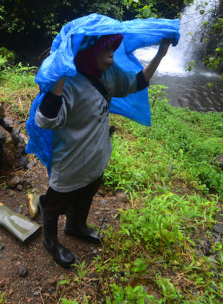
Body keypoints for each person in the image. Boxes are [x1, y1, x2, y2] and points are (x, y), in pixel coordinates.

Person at [34, 34, 172, 267]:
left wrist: (160, 54)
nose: (112, 52)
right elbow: (46, 119)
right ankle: (50, 241)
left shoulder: (108, 72)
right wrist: (59, 74)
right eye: (106, 47)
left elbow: (136, 83)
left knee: (89, 189)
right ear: (90, 51)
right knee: (56, 202)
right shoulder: (68, 82)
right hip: (71, 160)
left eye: (114, 47)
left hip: (97, 153)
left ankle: (75, 226)